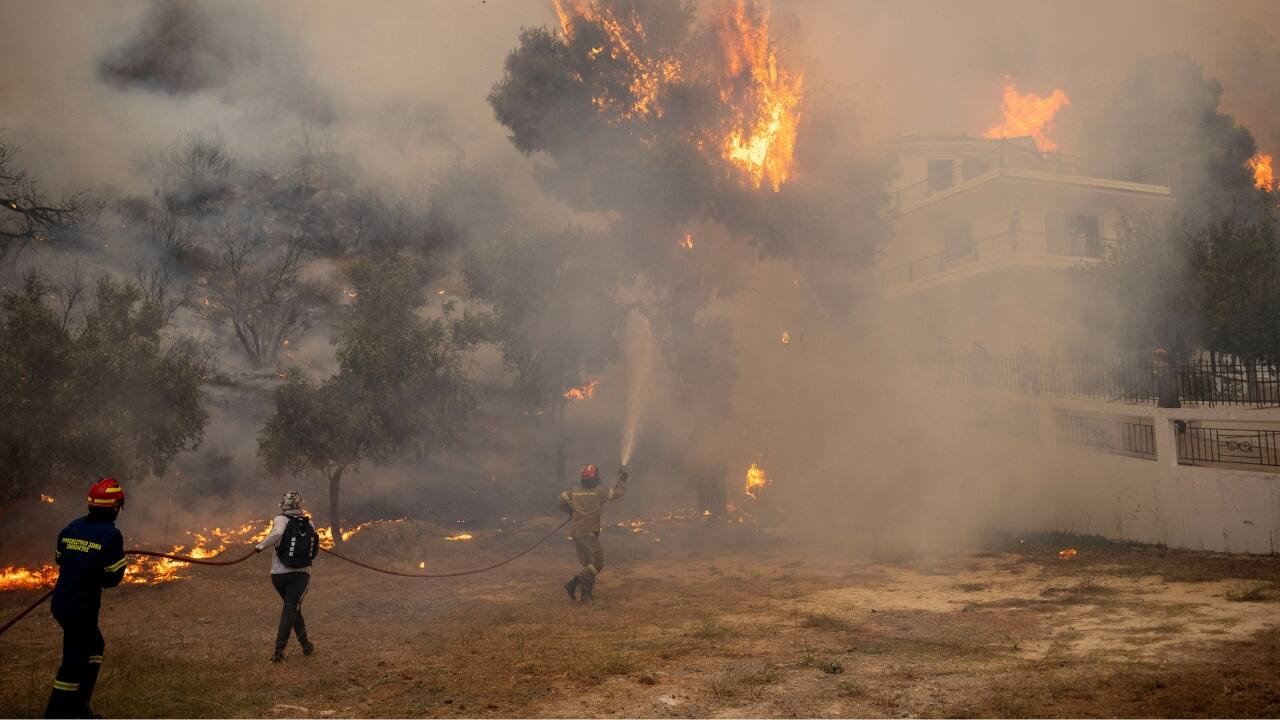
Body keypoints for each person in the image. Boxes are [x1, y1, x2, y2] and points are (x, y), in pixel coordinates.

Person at [45, 477, 129, 719]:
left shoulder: (71, 528)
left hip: (61, 603)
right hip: (81, 606)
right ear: (115, 507)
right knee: (74, 660)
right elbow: (112, 578)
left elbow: (60, 558)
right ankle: (58, 713)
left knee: (94, 647)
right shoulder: (111, 536)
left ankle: (79, 706)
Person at [254, 491, 318, 662]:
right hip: (301, 574)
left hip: (278, 575)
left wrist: (260, 546)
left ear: (283, 505)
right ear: (300, 506)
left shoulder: (279, 519)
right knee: (291, 608)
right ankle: (278, 651)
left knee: (293, 607)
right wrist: (260, 546)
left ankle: (306, 645)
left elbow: (276, 534)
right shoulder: (309, 522)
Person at [557, 464, 628, 602]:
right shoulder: (599, 492)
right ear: (595, 477)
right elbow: (618, 493)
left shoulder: (575, 491)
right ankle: (573, 582)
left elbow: (559, 502)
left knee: (588, 564)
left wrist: (570, 511)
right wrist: (623, 479)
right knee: (597, 564)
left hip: (577, 532)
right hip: (588, 533)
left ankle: (586, 595)